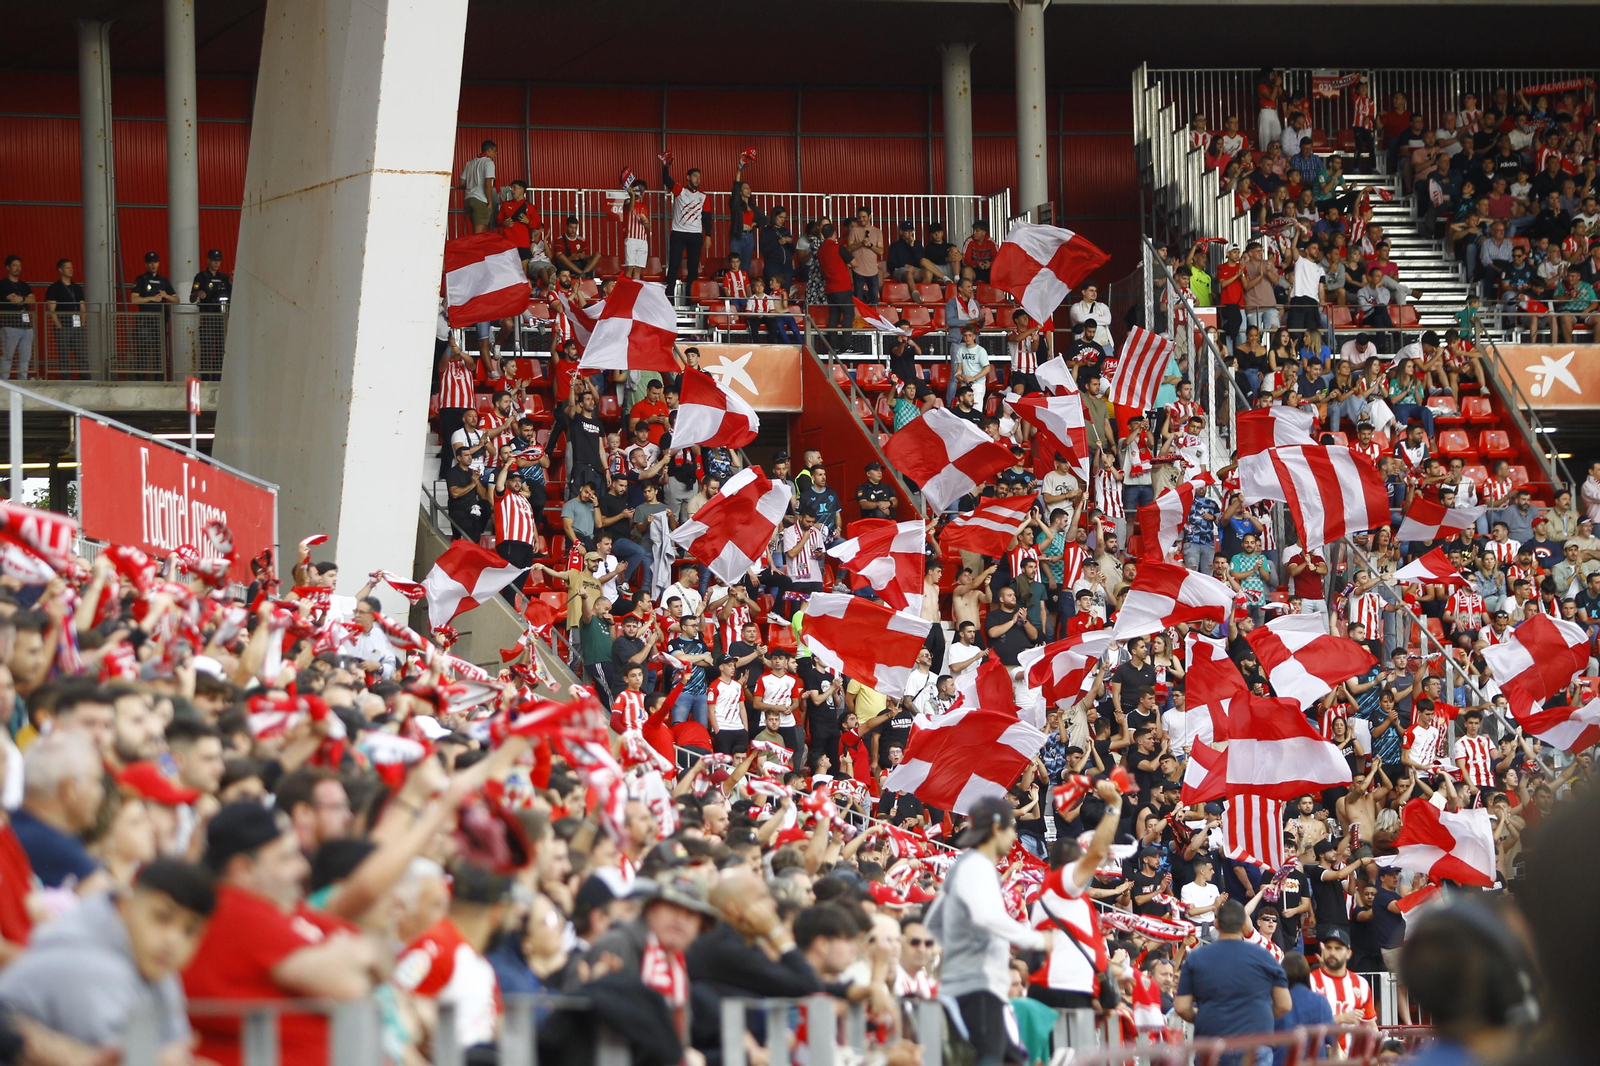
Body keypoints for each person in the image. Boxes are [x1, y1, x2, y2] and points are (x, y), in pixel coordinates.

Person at [184, 803, 383, 1066]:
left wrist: (360, 955)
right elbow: (353, 987)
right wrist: (354, 956)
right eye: (286, 858)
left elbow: (381, 953)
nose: (303, 867)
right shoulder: (234, 909)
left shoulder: (285, 906)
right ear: (243, 869)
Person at [0, 860, 215, 1053]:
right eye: (162, 918)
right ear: (124, 906)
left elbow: (175, 1048)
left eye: (190, 931)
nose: (174, 941)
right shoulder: (86, 964)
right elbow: (116, 1059)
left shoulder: (153, 963)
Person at [924, 795, 1052, 1066]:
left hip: (976, 983)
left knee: (1010, 1059)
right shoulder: (977, 867)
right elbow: (986, 917)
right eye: (1012, 827)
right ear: (996, 829)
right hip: (976, 984)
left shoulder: (971, 866)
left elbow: (933, 923)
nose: (1014, 835)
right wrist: (1036, 939)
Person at [1173, 899, 1292, 1039]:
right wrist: (1259, 1019)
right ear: (1243, 926)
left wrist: (1205, 1019)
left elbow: (1181, 1007)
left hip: (1212, 1042)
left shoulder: (1197, 958)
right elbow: (1284, 1004)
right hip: (1254, 1042)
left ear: (1216, 925)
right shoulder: (1266, 956)